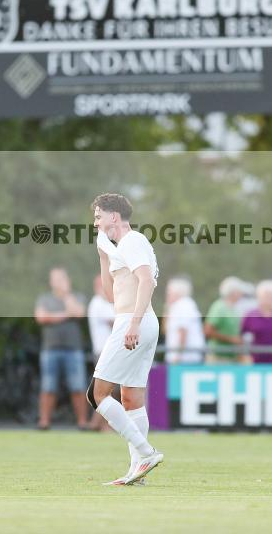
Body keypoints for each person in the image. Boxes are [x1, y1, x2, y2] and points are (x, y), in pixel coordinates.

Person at [88, 192, 163, 486]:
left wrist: (133, 322)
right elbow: (110, 295)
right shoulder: (118, 246)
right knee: (131, 399)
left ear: (113, 217)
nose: (94, 222)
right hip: (137, 320)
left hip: (135, 321)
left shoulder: (133, 241)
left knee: (96, 394)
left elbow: (146, 280)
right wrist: (103, 257)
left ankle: (146, 452)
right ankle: (139, 471)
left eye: (98, 216)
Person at [34, 268, 88, 430]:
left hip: (74, 349)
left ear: (67, 279)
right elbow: (41, 317)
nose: (57, 282)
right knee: (48, 386)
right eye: (54, 279)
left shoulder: (76, 297)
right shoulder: (44, 299)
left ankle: (82, 422)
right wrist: (65, 315)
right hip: (50, 349)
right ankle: (44, 421)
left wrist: (66, 295)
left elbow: (78, 313)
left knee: (78, 386)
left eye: (60, 279)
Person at [87, 274, 115, 432]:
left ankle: (98, 423)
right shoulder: (98, 303)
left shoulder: (103, 303)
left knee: (107, 389)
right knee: (105, 389)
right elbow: (116, 322)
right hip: (103, 351)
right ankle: (98, 424)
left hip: (106, 351)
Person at [203, 277, 246, 363]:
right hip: (217, 358)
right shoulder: (219, 307)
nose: (241, 294)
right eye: (239, 291)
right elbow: (208, 331)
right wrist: (231, 339)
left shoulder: (234, 309)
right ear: (232, 292)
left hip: (231, 358)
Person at [163, 277, 205, 364]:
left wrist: (177, 356)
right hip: (186, 357)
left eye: (169, 292)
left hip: (185, 358)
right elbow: (165, 330)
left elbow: (183, 331)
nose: (167, 295)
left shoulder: (183, 305)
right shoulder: (180, 306)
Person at [241, 280, 272, 364]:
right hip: (256, 361)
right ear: (259, 296)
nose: (270, 298)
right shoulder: (250, 315)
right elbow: (241, 335)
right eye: (267, 295)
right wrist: (245, 356)